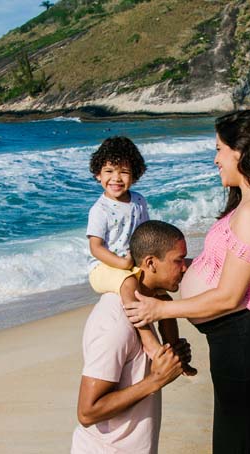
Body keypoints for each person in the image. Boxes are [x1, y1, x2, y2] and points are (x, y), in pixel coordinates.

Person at [124, 110, 250, 453]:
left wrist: (159, 309)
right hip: (249, 333)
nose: (216, 159)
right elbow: (227, 269)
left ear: (242, 152)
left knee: (238, 437)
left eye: (220, 149)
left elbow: (229, 296)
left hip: (245, 335)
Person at [72, 220, 193, 453]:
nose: (185, 267)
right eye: (178, 260)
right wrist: (155, 380)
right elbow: (87, 412)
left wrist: (172, 356)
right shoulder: (116, 324)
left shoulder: (144, 308)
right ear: (150, 263)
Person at [86, 136, 196, 375]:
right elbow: (95, 248)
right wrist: (121, 263)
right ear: (98, 174)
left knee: (164, 301)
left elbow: (144, 235)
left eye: (124, 172)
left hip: (131, 265)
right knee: (128, 284)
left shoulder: (138, 201)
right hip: (104, 268)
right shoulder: (99, 210)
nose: (116, 178)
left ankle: (174, 352)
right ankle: (151, 345)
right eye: (108, 171)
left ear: (134, 175)